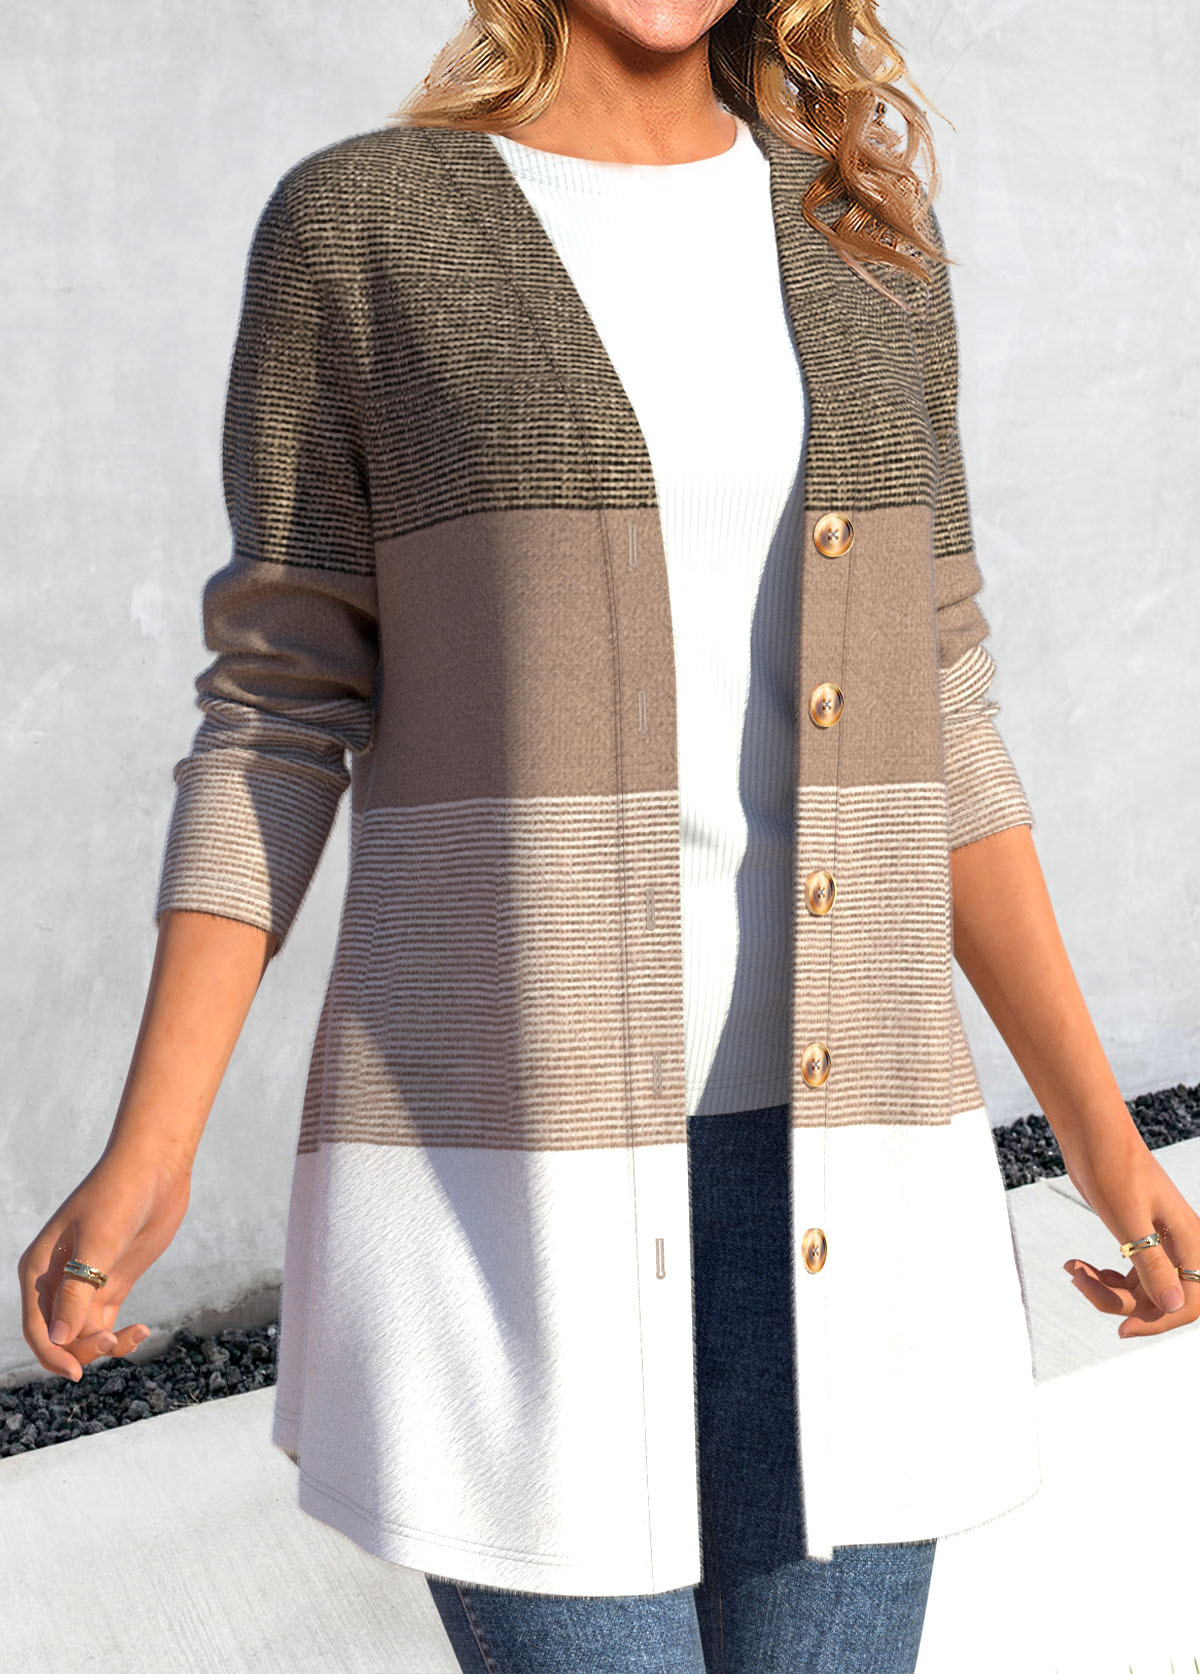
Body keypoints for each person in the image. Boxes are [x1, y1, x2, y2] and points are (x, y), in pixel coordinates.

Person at [18, 2, 1200, 1671]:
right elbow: (279, 708)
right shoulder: (361, 232)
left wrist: (1100, 1137)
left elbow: (940, 711)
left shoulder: (865, 242)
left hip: (856, 1183)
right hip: (511, 1196)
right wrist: (156, 1143)